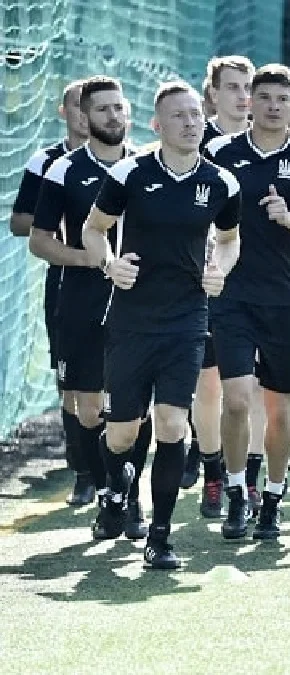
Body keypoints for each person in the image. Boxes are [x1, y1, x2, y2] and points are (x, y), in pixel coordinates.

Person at [81, 81, 241, 569]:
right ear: (157, 124)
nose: (190, 123)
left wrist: (220, 270)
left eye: (195, 115)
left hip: (187, 319)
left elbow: (229, 239)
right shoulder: (130, 173)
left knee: (172, 424)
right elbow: (93, 230)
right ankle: (115, 489)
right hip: (131, 320)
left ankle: (160, 536)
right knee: (121, 435)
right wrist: (110, 264)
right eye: (179, 116)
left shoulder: (221, 182)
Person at [205, 64, 290, 540]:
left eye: (283, 100)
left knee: (281, 411)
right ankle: (237, 493)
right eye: (264, 98)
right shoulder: (220, 152)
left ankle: (274, 498)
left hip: (286, 299)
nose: (274, 107)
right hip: (232, 296)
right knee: (237, 400)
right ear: (250, 103)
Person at [29, 76, 152, 541]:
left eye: (119, 107)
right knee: (87, 409)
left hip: (139, 304)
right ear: (83, 116)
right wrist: (93, 260)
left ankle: (129, 498)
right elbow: (39, 240)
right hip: (80, 300)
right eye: (102, 109)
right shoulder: (63, 169)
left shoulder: (146, 164)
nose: (113, 116)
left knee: (135, 409)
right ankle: (105, 491)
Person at [9, 80, 91, 506]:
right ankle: (82, 468)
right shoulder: (47, 162)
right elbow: (19, 222)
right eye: (77, 106)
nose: (85, 114)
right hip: (66, 281)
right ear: (64, 112)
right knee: (71, 380)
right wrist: (54, 216)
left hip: (119, 283)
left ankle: (116, 469)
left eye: (94, 106)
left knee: (116, 378)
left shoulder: (127, 161)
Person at [190, 55, 256, 515]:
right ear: (212, 93)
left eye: (247, 87)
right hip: (210, 283)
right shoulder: (199, 142)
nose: (242, 96)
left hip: (265, 284)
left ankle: (248, 477)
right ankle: (213, 472)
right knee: (211, 385)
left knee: (254, 390)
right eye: (232, 87)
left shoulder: (269, 138)